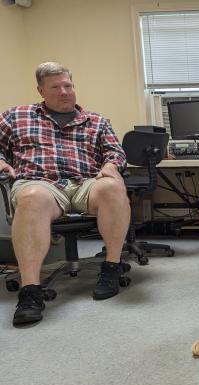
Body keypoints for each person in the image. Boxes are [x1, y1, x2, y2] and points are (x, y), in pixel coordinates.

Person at [0, 62, 130, 327]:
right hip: (41, 183)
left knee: (112, 186)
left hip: (85, 183)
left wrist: (110, 166)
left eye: (68, 85)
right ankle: (30, 291)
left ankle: (111, 268)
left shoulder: (97, 122)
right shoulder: (16, 116)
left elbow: (115, 153)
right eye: (56, 87)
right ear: (41, 90)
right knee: (32, 196)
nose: (64, 92)